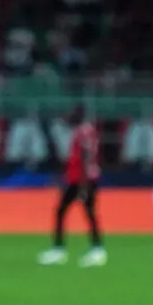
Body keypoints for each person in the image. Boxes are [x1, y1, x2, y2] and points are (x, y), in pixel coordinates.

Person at [38, 107, 107, 267]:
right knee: (82, 212)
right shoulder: (89, 131)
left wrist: (83, 186)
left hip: (81, 180)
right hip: (85, 178)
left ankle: (62, 249)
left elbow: (83, 158)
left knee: (67, 211)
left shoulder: (82, 133)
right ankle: (95, 249)